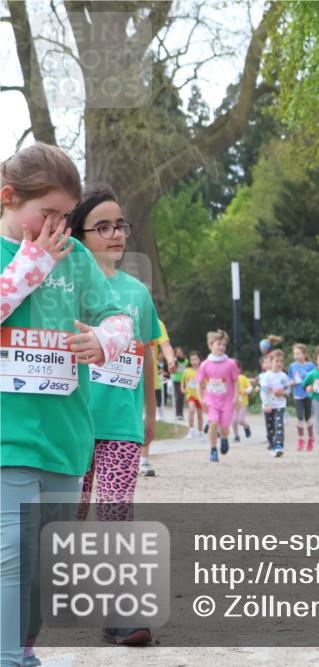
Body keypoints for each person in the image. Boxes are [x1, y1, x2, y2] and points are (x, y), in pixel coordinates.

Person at [1, 143, 134, 667]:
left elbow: (118, 317)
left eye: (65, 216)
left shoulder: (76, 259)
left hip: (65, 438)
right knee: (10, 553)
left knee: (42, 562)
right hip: (8, 435)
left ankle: (24, 650)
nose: (57, 227)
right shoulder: (26, 253)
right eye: (48, 214)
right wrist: (32, 263)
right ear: (9, 198)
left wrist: (106, 340)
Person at [67, 186, 159, 647]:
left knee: (116, 515)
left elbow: (146, 354)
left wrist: (149, 411)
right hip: (73, 421)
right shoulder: (64, 285)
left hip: (121, 424)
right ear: (79, 234)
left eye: (120, 224)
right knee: (68, 516)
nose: (116, 234)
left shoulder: (138, 294)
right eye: (103, 226)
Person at [196, 329, 240, 462]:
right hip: (211, 399)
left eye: (224, 345)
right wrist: (201, 399)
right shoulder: (205, 364)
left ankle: (225, 438)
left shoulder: (231, 363)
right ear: (210, 345)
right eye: (218, 344)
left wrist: (236, 397)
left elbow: (236, 380)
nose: (221, 347)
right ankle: (213, 450)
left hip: (227, 400)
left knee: (225, 426)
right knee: (213, 422)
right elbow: (199, 383)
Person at [143, 318, 174, 477]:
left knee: (147, 419)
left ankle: (144, 459)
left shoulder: (156, 323)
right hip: (125, 379)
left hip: (149, 379)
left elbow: (165, 345)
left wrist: (170, 359)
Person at [259, 349, 290, 457]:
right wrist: (266, 404)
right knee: (270, 428)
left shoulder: (284, 376)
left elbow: (288, 391)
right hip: (268, 406)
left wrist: (283, 393)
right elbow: (263, 392)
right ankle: (272, 445)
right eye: (276, 361)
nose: (279, 363)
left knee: (279, 425)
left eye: (281, 361)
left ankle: (279, 446)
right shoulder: (266, 376)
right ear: (271, 362)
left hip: (280, 405)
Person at [289, 343, 317, 452]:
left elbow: (314, 377)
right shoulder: (292, 366)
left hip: (308, 394)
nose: (296, 356)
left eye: (298, 354)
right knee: (299, 417)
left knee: (308, 417)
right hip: (297, 394)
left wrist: (306, 377)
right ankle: (300, 439)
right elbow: (290, 377)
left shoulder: (311, 366)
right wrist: (291, 381)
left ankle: (310, 438)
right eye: (294, 354)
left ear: (305, 354)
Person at [182, 351, 205, 439]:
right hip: (190, 395)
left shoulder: (202, 371)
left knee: (200, 415)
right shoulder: (187, 371)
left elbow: (205, 383)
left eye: (196, 359)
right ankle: (191, 430)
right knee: (191, 410)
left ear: (199, 360)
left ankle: (200, 431)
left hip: (200, 396)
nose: (194, 361)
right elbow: (183, 382)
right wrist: (183, 389)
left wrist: (203, 387)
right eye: (192, 360)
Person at [232, 360, 253, 443]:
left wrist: (246, 391)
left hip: (243, 403)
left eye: (235, 368)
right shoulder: (229, 379)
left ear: (239, 369)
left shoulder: (242, 378)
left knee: (240, 420)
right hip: (233, 403)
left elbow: (250, 387)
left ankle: (246, 427)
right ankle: (236, 436)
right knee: (234, 421)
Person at [171, 345, 188, 421]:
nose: (179, 353)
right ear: (175, 354)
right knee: (178, 397)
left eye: (180, 352)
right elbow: (172, 370)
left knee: (182, 397)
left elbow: (188, 369)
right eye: (177, 352)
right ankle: (177, 414)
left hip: (183, 380)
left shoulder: (186, 361)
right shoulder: (174, 360)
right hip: (176, 380)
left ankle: (181, 414)